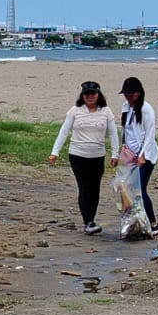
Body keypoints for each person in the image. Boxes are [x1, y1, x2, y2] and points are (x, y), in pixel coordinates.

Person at [48, 81, 120, 235]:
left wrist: (115, 154)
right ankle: (88, 221)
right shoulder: (75, 111)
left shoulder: (106, 111)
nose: (90, 96)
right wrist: (55, 152)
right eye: (86, 94)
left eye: (93, 93)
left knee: (94, 189)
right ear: (82, 95)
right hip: (78, 155)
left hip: (97, 155)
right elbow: (64, 131)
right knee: (84, 187)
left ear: (98, 95)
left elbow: (113, 133)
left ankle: (91, 218)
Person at [118, 76, 158, 235]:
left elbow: (150, 134)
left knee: (140, 190)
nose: (128, 98)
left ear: (139, 93)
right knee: (128, 190)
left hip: (145, 156)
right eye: (126, 95)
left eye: (131, 95)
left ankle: (154, 223)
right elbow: (126, 131)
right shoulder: (125, 107)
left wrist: (143, 155)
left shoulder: (146, 109)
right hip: (130, 155)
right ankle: (133, 223)